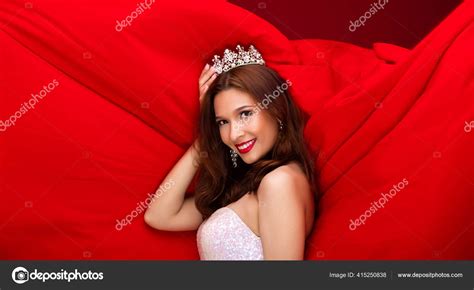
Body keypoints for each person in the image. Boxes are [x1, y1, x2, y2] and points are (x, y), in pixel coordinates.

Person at [145, 45, 317, 260]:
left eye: (245, 113)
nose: (234, 134)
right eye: (223, 122)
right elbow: (160, 216)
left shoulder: (279, 182)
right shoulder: (247, 185)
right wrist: (207, 137)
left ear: (277, 110)